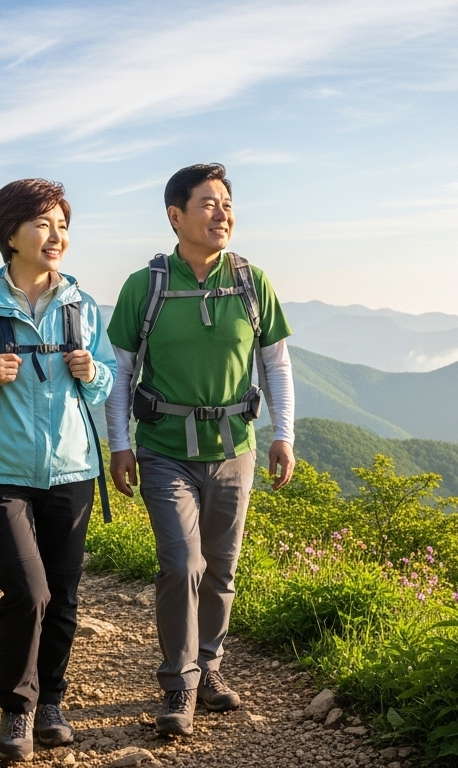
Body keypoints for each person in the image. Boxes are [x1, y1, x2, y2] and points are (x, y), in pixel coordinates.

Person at [0, 179, 116, 762]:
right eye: (42, 224)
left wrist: (91, 372)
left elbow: (109, 380)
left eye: (62, 224)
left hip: (71, 469)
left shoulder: (83, 306)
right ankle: (18, 709)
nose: (55, 235)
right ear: (9, 234)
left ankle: (51, 701)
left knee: (62, 592)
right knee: (27, 591)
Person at [105, 163, 296, 736]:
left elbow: (277, 363)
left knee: (221, 568)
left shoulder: (250, 281)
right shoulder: (147, 285)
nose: (222, 214)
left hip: (236, 446)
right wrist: (120, 446)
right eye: (208, 204)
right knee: (181, 563)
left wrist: (283, 433)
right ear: (175, 215)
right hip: (164, 448)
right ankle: (179, 684)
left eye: (228, 204)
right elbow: (119, 372)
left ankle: (209, 667)